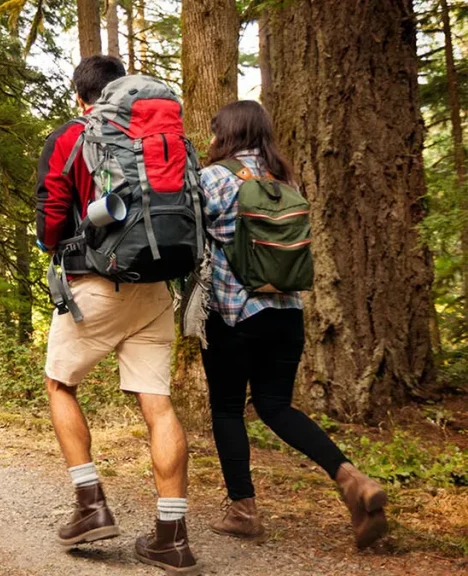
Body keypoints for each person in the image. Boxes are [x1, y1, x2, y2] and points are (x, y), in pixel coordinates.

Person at [35, 55, 199, 574]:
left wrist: (52, 243)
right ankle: (172, 538)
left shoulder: (70, 137)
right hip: (154, 287)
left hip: (94, 284)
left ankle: (91, 506)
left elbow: (52, 219)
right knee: (158, 405)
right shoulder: (161, 140)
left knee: (60, 384)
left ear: (80, 95)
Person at [198, 100, 387, 549]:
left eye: (213, 132)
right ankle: (352, 479)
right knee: (276, 406)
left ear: (225, 134)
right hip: (288, 314)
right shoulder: (287, 180)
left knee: (227, 409)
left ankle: (243, 510)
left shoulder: (214, 179)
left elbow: (187, 237)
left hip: (233, 314)